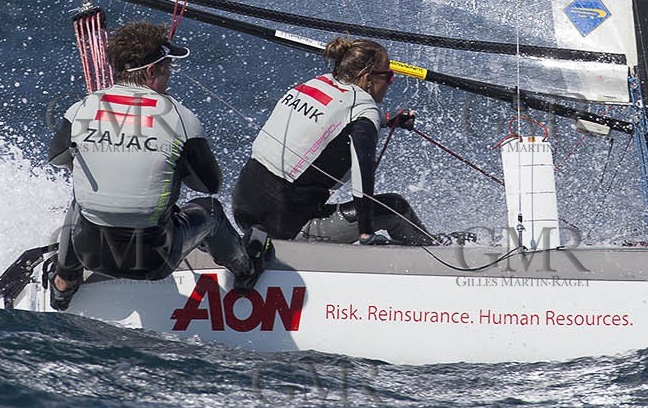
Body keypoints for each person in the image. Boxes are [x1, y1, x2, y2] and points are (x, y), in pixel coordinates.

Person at [47, 21, 263, 311]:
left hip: (91, 254)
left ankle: (64, 283)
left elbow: (57, 159)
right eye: (167, 69)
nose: (169, 77)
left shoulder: (80, 108)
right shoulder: (180, 118)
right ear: (151, 72)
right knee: (210, 210)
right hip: (152, 261)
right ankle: (246, 272)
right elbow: (209, 185)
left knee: (79, 199)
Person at [233, 36, 434, 246]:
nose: (390, 83)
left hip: (243, 210)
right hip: (285, 227)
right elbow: (362, 172)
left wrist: (385, 121)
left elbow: (332, 121)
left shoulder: (317, 83)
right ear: (367, 78)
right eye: (388, 76)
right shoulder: (365, 112)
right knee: (395, 207)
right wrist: (365, 232)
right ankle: (438, 252)